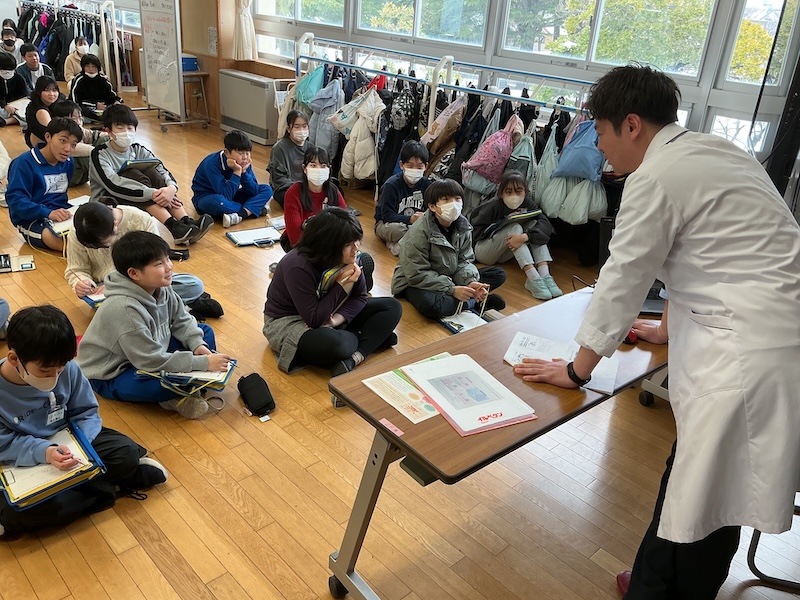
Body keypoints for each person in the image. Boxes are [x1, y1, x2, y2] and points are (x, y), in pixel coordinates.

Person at [513, 65, 800, 600]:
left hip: (747, 356)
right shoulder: (720, 151)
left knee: (708, 500)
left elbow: (623, 278)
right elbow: (705, 255)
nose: (599, 147)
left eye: (600, 132)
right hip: (776, 337)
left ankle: (661, 590)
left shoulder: (654, 178)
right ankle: (652, 578)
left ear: (631, 125)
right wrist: (667, 329)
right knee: (698, 483)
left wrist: (577, 370)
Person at [0, 305, 168, 538]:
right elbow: (5, 444)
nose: (55, 376)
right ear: (14, 359)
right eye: (46, 371)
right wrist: (45, 452)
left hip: (71, 441)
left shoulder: (67, 368)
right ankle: (113, 486)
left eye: (61, 369)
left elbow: (87, 412)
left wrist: (80, 446)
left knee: (126, 452)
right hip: (24, 458)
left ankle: (83, 490)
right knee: (17, 510)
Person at [76, 231, 232, 419]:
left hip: (149, 350)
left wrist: (197, 345)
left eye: (167, 259)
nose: (169, 267)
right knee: (158, 386)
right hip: (114, 372)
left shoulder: (161, 287)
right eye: (159, 264)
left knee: (204, 332)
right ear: (134, 273)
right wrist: (202, 363)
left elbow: (182, 319)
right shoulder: (124, 308)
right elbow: (148, 360)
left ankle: (183, 390)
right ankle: (180, 393)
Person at [263, 207, 401, 376]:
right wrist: (342, 286)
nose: (355, 248)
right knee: (338, 345)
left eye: (356, 241)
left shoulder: (350, 256)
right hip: (291, 320)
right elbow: (314, 319)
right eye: (348, 244)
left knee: (392, 306)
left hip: (331, 314)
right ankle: (370, 338)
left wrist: (334, 321)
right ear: (328, 245)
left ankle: (355, 357)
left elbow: (360, 297)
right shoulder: (297, 265)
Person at [89, 104, 213, 246]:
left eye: (130, 128)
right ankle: (172, 226)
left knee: (151, 171)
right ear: (108, 131)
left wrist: (171, 189)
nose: (126, 132)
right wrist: (153, 193)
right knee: (132, 174)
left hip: (142, 194)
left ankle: (185, 221)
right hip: (108, 201)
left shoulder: (138, 149)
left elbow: (160, 168)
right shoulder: (99, 153)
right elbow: (113, 184)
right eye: (120, 128)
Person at [66, 200, 217, 315]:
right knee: (114, 309)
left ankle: (167, 308)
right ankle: (178, 307)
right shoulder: (79, 232)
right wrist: (81, 282)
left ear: (115, 225)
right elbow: (76, 269)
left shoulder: (140, 219)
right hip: (104, 289)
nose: (101, 249)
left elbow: (157, 262)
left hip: (142, 282)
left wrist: (117, 285)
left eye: (104, 245)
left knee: (194, 284)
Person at [391, 178, 507, 320]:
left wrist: (469, 282)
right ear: (432, 206)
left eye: (457, 199)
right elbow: (416, 274)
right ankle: (475, 302)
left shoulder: (463, 225)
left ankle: (468, 297)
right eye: (446, 200)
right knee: (433, 306)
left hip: (448, 275)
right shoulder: (418, 232)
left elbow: (465, 260)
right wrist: (451, 289)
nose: (453, 204)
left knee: (498, 274)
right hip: (415, 282)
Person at [282, 145, 375, 290]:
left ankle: (355, 281)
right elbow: (295, 238)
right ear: (304, 168)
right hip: (304, 245)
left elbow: (347, 224)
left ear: (329, 169)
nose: (318, 170)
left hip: (331, 243)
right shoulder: (293, 193)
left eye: (323, 165)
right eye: (313, 165)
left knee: (355, 257)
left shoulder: (333, 191)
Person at [469, 170, 562, 301]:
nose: (514, 196)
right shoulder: (493, 205)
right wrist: (499, 226)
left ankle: (545, 275)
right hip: (485, 251)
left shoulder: (528, 204)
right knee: (515, 227)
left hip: (506, 251)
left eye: (518, 191)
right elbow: (475, 232)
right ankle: (533, 277)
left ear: (525, 192)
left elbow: (545, 224)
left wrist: (525, 237)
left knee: (534, 225)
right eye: (508, 192)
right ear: (501, 193)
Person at [5, 117, 81, 251]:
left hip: (61, 214)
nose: (67, 149)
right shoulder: (23, 163)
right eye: (63, 141)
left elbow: (60, 196)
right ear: (48, 137)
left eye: (73, 145)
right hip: (31, 220)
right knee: (69, 246)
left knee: (96, 227)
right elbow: (15, 200)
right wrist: (47, 212)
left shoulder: (68, 162)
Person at [191, 129, 273, 228]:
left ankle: (241, 214)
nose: (245, 157)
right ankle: (253, 209)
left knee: (266, 189)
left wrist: (244, 172)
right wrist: (237, 172)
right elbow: (225, 196)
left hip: (232, 196)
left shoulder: (244, 163)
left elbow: (254, 191)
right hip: (207, 198)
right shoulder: (211, 164)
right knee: (217, 201)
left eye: (247, 153)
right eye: (240, 153)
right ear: (226, 152)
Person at [374, 140, 433, 256]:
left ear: (426, 166)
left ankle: (403, 244)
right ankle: (404, 245)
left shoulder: (427, 185)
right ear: (402, 165)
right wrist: (410, 219)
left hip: (416, 225)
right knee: (399, 230)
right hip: (389, 224)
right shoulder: (391, 185)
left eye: (419, 167)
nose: (414, 170)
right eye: (410, 166)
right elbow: (387, 216)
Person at [50, 99, 109, 186]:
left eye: (80, 118)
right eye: (74, 118)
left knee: (105, 140)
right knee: (85, 155)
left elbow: (93, 134)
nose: (78, 121)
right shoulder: (59, 132)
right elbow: (74, 148)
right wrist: (97, 151)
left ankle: (114, 172)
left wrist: (113, 136)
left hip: (81, 174)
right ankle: (109, 179)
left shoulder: (78, 130)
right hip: (65, 174)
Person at [267, 109, 309, 209]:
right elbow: (278, 178)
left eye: (304, 126)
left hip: (307, 188)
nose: (301, 130)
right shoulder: (279, 148)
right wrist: (299, 187)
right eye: (297, 127)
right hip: (286, 188)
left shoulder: (311, 148)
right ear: (289, 129)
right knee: (291, 198)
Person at [69, 53, 121, 120]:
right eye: (87, 66)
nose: (91, 69)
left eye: (93, 66)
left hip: (103, 108)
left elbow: (111, 95)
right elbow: (75, 101)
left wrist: (116, 101)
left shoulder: (103, 80)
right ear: (83, 67)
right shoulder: (78, 80)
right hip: (86, 108)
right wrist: (95, 105)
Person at [24, 75, 65, 147]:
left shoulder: (60, 101)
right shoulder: (36, 109)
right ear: (39, 92)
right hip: (41, 138)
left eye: (54, 90)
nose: (51, 94)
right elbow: (49, 130)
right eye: (47, 90)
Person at [0, 51, 28, 129]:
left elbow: (24, 96)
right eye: (4, 71)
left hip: (15, 107)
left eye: (10, 71)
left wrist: (15, 106)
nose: (8, 73)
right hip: (2, 107)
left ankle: (6, 121)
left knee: (31, 112)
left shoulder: (19, 78)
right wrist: (5, 105)